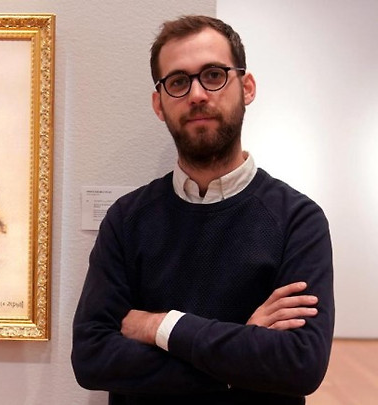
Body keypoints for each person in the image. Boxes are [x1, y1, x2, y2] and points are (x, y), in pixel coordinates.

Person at [71, 15, 334, 404]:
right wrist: (240, 354)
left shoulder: (299, 219)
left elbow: (300, 364)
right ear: (159, 104)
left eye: (214, 75)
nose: (196, 94)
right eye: (178, 82)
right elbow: (91, 359)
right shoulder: (126, 219)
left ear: (247, 87)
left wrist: (160, 326)